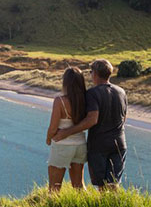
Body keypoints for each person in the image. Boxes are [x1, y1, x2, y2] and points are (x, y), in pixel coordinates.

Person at [53, 59, 127, 191]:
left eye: (91, 71)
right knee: (113, 184)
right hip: (120, 143)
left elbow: (92, 120)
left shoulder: (92, 93)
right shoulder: (121, 92)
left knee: (102, 186)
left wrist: (67, 132)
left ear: (95, 74)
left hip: (99, 144)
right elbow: (124, 118)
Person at [44, 67, 87, 192]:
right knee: (78, 185)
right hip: (80, 145)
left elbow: (53, 128)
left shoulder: (60, 101)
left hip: (62, 145)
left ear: (66, 82)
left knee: (54, 187)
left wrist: (48, 139)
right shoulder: (86, 99)